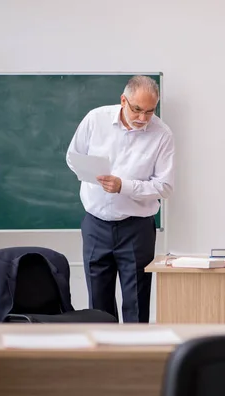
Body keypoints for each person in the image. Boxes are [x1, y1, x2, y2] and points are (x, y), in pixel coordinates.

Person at [66, 75, 175, 323]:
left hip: (136, 228)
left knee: (136, 301)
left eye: (149, 111)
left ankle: (136, 357)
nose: (142, 118)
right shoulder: (96, 119)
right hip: (95, 224)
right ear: (123, 100)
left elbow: (165, 186)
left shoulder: (162, 134)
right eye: (137, 109)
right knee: (98, 303)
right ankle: (103, 360)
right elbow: (73, 156)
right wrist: (90, 172)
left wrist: (123, 186)